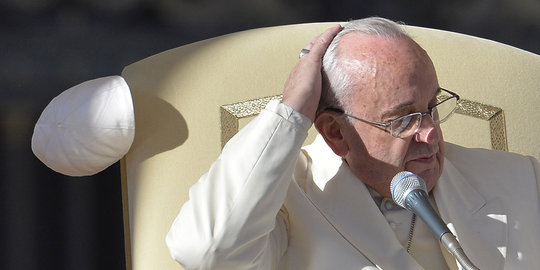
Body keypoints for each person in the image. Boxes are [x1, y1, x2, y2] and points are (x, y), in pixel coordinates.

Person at [166, 17, 540, 269]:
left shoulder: (523, 181)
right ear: (335, 132)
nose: (430, 133)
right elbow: (207, 252)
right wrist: (291, 111)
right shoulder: (286, 201)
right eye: (404, 119)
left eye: (432, 107)